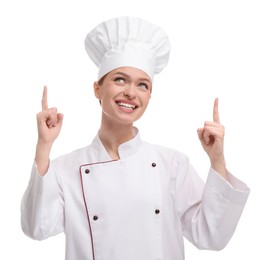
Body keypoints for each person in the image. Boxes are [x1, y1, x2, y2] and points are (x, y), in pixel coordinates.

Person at [21, 16, 250, 260]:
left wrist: (218, 161)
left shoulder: (172, 164)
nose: (131, 92)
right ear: (97, 88)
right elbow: (37, 228)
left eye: (143, 85)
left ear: (149, 95)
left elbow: (210, 236)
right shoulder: (66, 168)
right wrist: (44, 146)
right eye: (120, 79)